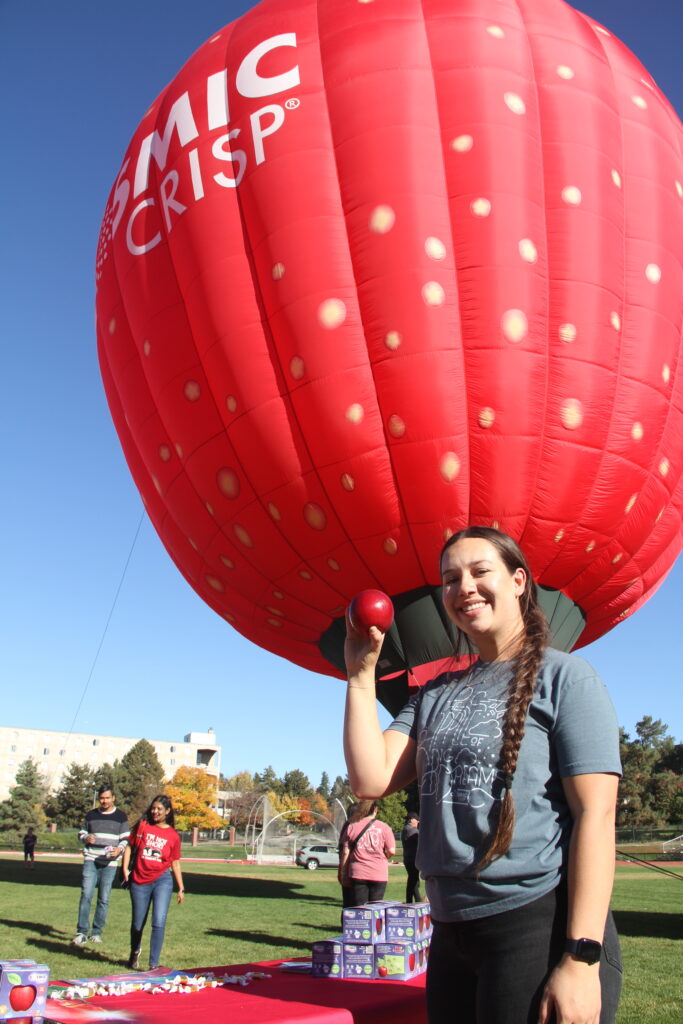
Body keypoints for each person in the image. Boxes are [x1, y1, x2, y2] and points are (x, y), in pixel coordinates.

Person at [343, 526, 622, 1024]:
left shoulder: (565, 678)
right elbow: (370, 779)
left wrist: (581, 959)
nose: (463, 587)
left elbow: (596, 817)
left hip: (537, 922)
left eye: (479, 572)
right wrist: (360, 679)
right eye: (450, 579)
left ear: (518, 581)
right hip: (450, 931)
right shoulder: (434, 693)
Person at [122, 794, 185, 970]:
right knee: (137, 923)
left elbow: (175, 862)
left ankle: (153, 965)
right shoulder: (143, 826)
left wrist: (181, 887)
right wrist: (125, 868)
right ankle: (135, 951)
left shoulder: (173, 836)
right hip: (140, 880)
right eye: (153, 808)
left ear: (167, 811)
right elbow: (129, 846)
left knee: (159, 921)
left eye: (159, 809)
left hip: (162, 880)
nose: (155, 811)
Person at [73, 785, 129, 945]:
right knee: (86, 894)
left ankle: (96, 932)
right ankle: (81, 932)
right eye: (102, 798)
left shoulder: (121, 816)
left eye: (107, 798)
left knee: (104, 898)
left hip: (110, 863)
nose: (104, 801)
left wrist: (119, 849)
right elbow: (81, 832)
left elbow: (125, 838)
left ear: (113, 798)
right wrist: (86, 838)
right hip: (91, 859)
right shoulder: (91, 815)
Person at [338, 799, 395, 906]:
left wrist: (343, 873)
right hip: (378, 873)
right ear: (375, 810)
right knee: (375, 909)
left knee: (360, 909)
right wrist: (384, 857)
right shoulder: (385, 827)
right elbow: (391, 851)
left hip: (358, 873)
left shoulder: (352, 826)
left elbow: (345, 852)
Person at [401, 813, 421, 903]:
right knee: (413, 881)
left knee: (412, 880)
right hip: (412, 859)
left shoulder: (406, 829)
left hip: (408, 858)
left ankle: (411, 900)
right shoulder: (412, 830)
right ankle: (417, 901)